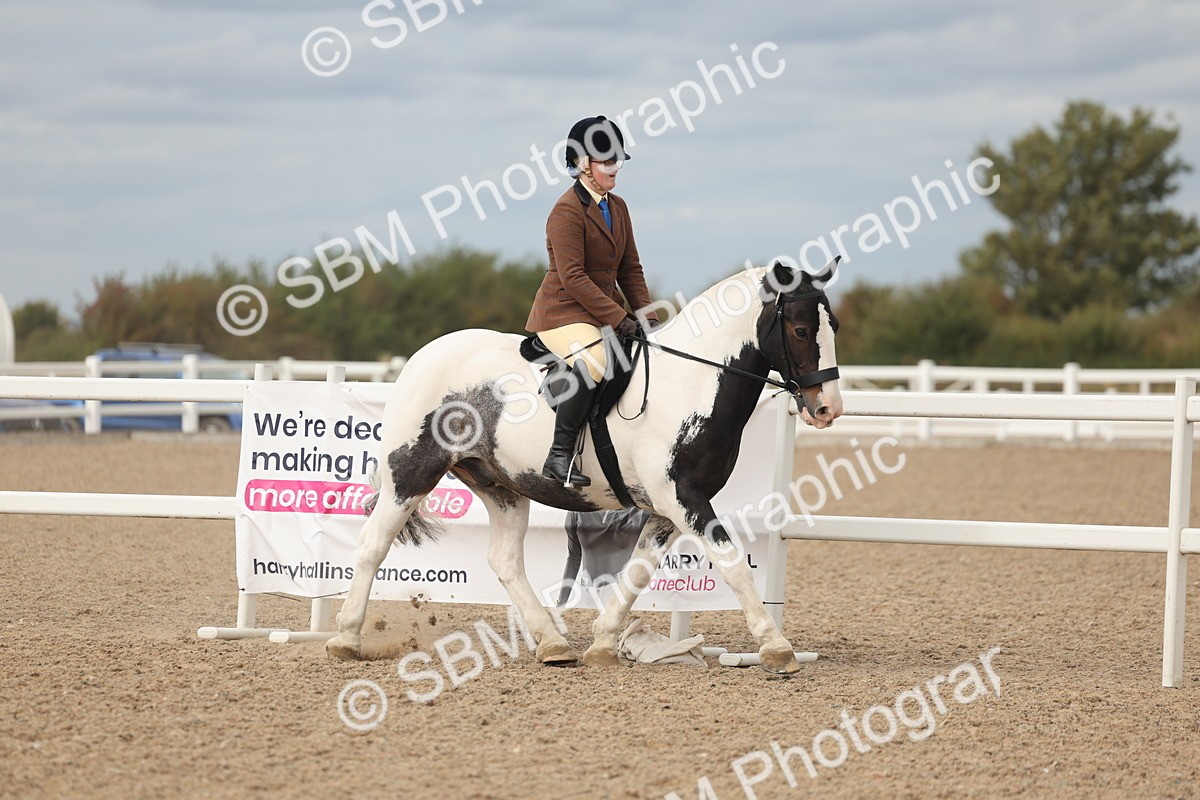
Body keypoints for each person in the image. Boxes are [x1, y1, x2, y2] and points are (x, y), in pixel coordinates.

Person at [526, 115, 660, 487]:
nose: (615, 167)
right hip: (563, 312)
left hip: (598, 312)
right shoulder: (566, 212)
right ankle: (559, 456)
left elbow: (630, 269)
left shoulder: (618, 207)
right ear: (583, 164)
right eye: (607, 161)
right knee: (595, 359)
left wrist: (648, 317)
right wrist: (619, 318)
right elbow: (573, 277)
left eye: (617, 160)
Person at [556, 507, 653, 607]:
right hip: (588, 592)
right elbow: (574, 556)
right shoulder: (575, 511)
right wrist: (562, 601)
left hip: (622, 592)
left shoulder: (637, 510)